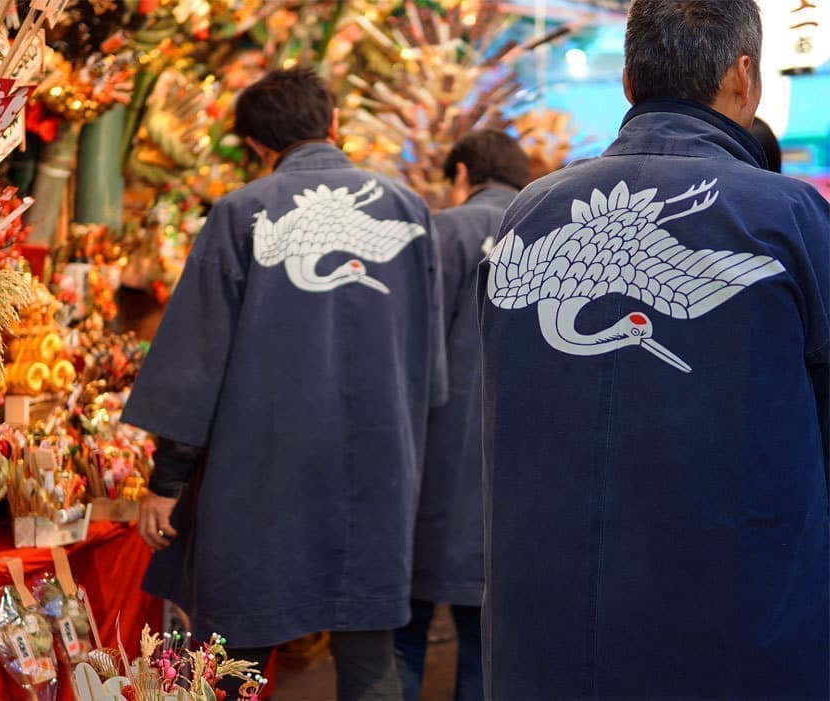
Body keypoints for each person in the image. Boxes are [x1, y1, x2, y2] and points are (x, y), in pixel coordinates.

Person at [478, 0, 829, 698]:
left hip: (542, 636)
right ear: (744, 75)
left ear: (630, 85)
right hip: (742, 636)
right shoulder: (788, 218)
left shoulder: (524, 216)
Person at [122, 67, 448, 701]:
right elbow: (430, 370)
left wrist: (166, 483)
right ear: (332, 125)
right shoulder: (409, 208)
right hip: (377, 472)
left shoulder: (242, 212)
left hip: (261, 478)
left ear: (257, 146)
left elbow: (196, 359)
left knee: (230, 659)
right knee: (368, 655)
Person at [394, 129, 529, 701]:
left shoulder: (443, 231)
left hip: (430, 464)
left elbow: (406, 351)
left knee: (403, 636)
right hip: (516, 472)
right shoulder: (551, 229)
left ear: (461, 174)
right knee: (487, 646)